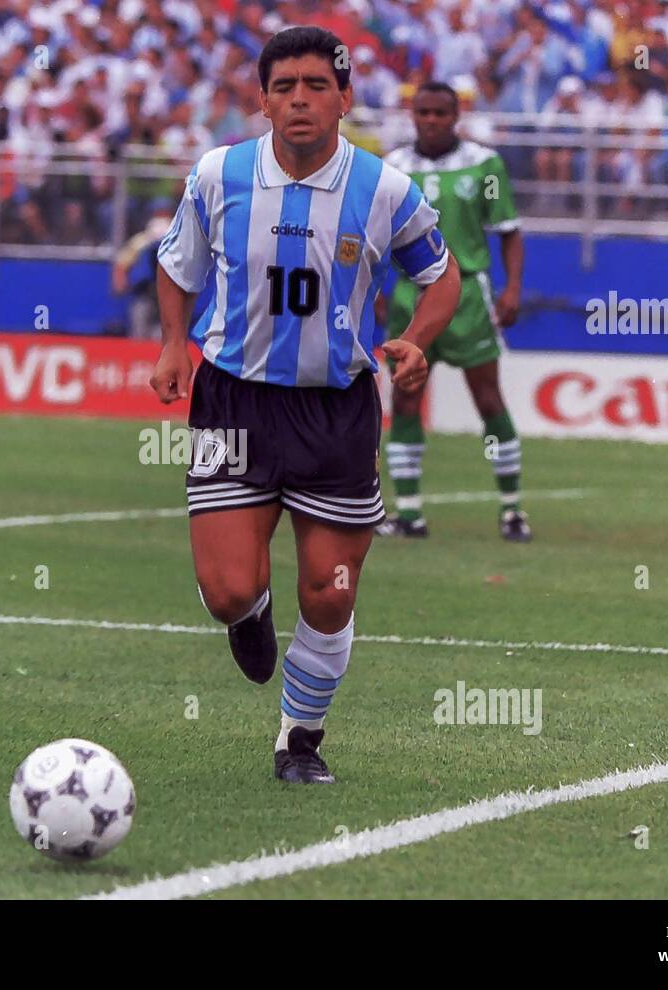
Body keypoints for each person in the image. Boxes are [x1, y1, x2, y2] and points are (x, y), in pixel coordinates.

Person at [150, 27, 460, 784]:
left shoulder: (384, 189)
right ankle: (246, 615)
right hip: (232, 403)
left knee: (328, 592)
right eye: (283, 86)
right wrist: (169, 344)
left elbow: (443, 277)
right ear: (260, 100)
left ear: (344, 99)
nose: (299, 100)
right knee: (227, 589)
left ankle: (300, 740)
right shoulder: (219, 174)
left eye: (316, 86)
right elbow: (176, 264)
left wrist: (418, 341)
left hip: (335, 412)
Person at [379, 82, 529, 541]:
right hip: (410, 295)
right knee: (404, 399)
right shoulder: (393, 168)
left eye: (440, 113)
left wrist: (512, 290)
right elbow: (375, 236)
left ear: (456, 116)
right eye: (423, 112)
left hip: (467, 294)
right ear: (413, 116)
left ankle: (512, 509)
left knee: (487, 398)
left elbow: (508, 230)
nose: (431, 121)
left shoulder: (484, 163)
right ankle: (409, 514)